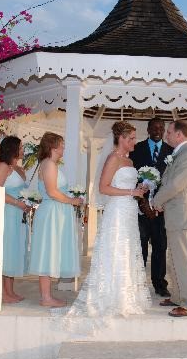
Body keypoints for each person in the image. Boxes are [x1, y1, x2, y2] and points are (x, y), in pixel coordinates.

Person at [64, 121, 149, 326]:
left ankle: (126, 297)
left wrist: (139, 188)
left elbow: (123, 185)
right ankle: (110, 297)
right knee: (115, 251)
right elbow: (103, 188)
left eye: (134, 138)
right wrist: (131, 192)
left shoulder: (129, 162)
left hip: (129, 210)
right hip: (117, 212)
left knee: (127, 251)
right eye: (131, 139)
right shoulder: (113, 158)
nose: (134, 142)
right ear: (120, 139)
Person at [152, 120, 187, 317]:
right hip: (174, 214)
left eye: (170, 132)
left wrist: (157, 200)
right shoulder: (178, 153)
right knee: (175, 258)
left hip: (181, 214)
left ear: (180, 135)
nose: (166, 135)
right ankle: (179, 296)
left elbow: (175, 184)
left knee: (184, 260)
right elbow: (168, 182)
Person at [29, 132, 83, 307]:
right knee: (47, 252)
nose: (64, 147)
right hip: (52, 212)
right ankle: (46, 297)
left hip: (57, 212)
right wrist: (72, 201)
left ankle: (47, 296)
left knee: (52, 252)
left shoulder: (50, 164)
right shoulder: (49, 164)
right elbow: (52, 192)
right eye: (62, 144)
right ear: (53, 146)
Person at [129, 117, 173, 298]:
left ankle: (160, 284)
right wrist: (142, 202)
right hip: (139, 208)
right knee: (140, 248)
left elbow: (172, 181)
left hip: (161, 210)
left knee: (160, 246)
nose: (157, 130)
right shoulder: (137, 149)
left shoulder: (171, 151)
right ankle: (138, 284)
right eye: (154, 127)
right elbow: (131, 176)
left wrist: (160, 203)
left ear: (163, 130)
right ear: (148, 129)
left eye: (160, 128)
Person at [0, 136, 31, 304]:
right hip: (7, 213)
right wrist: (17, 203)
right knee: (5, 251)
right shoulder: (3, 166)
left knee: (13, 252)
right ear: (12, 148)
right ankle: (1, 292)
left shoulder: (19, 169)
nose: (23, 150)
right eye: (21, 147)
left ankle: (10, 291)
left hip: (18, 214)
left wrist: (28, 202)